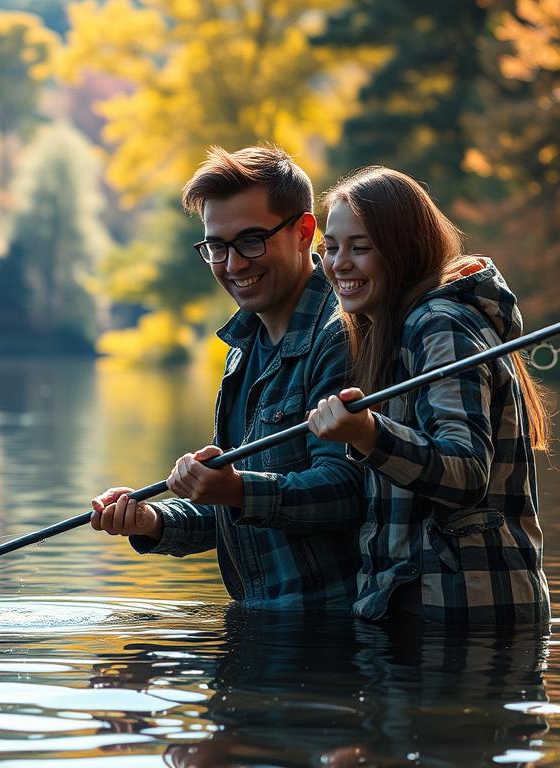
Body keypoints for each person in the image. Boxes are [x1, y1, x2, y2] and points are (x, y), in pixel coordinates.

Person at [90, 145, 364, 609]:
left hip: (332, 632)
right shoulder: (243, 352)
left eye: (251, 241)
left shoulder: (341, 333)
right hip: (264, 627)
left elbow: (346, 491)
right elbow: (233, 512)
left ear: (303, 232)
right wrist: (153, 520)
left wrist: (235, 488)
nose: (233, 264)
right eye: (216, 246)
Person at [306, 166, 552, 627]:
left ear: (404, 251)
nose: (339, 263)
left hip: (466, 616)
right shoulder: (387, 330)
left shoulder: (439, 324)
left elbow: (465, 471)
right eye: (331, 248)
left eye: (360, 248)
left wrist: (368, 433)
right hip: (418, 612)